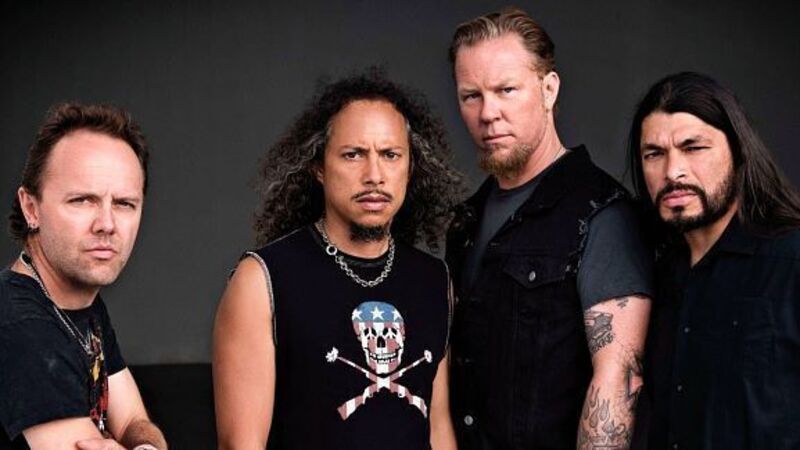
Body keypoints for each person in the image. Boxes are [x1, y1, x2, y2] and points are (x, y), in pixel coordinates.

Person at [212, 69, 463, 450]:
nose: (374, 175)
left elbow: (438, 430)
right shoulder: (263, 280)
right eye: (353, 155)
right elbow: (241, 445)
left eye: (390, 155)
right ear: (319, 167)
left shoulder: (434, 280)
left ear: (410, 168)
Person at [445, 7, 653, 449]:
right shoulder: (465, 220)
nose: (488, 113)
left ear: (549, 89)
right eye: (471, 96)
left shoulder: (602, 212)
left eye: (506, 90)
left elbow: (619, 379)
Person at [628, 71, 800, 449]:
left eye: (693, 148)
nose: (673, 172)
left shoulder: (790, 260)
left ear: (738, 152)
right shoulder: (653, 273)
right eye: (654, 154)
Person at [0, 103, 167, 450]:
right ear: (31, 208)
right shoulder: (20, 325)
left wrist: (144, 447)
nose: (107, 224)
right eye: (82, 200)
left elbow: (134, 421)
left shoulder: (79, 304)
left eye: (124, 203)